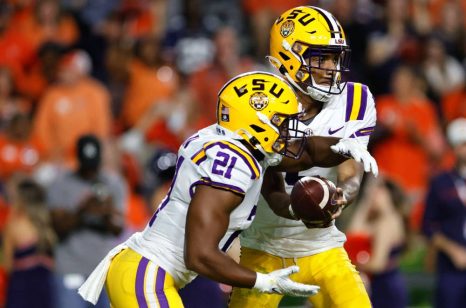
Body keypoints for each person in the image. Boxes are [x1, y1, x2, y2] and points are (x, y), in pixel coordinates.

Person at [78, 71, 378, 307]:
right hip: (147, 274)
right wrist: (262, 281)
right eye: (281, 122)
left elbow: (305, 155)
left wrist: (346, 147)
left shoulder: (239, 143)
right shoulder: (236, 163)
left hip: (144, 272)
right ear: (255, 123)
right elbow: (200, 255)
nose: (291, 130)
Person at [230, 6, 375, 308]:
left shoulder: (355, 100)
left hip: (323, 247)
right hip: (263, 247)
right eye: (320, 57)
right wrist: (299, 209)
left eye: (334, 58)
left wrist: (342, 196)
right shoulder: (258, 99)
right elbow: (269, 186)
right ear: (288, 55)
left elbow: (351, 170)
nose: (329, 68)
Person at [47, 134, 127, 308]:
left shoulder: (113, 184)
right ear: (78, 160)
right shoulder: (61, 184)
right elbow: (57, 227)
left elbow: (118, 228)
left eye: (93, 166)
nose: (90, 172)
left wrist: (106, 213)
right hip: (70, 269)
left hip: (103, 271)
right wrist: (83, 210)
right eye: (86, 167)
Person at [422, 117, 466, 308]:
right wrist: (452, 249)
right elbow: (428, 225)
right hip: (452, 267)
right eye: (461, 144)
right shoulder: (441, 182)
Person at [346, 177, 409, 308]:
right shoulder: (386, 219)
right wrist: (366, 199)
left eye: (377, 193)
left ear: (389, 196)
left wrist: (350, 267)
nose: (373, 196)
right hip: (385, 283)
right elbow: (354, 233)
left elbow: (378, 264)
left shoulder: (386, 223)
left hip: (384, 287)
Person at [3, 177, 56, 308]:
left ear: (21, 201)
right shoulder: (48, 226)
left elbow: (7, 264)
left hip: (20, 290)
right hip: (45, 289)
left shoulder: (14, 226)